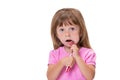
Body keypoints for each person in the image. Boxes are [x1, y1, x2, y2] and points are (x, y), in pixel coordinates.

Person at [46, 8, 96, 80]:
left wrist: (77, 57)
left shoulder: (88, 53)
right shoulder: (54, 54)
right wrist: (62, 62)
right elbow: (50, 77)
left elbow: (90, 77)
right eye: (62, 30)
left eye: (72, 29)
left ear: (81, 31)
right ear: (56, 34)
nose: (67, 34)